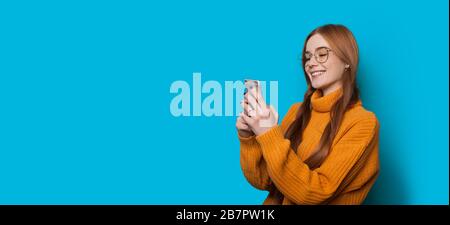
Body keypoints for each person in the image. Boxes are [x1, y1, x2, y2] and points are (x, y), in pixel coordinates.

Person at [236, 24, 380, 205]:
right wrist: (249, 137)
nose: (311, 63)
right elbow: (265, 181)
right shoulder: (296, 112)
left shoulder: (362, 123)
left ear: (347, 60)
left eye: (321, 54)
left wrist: (268, 133)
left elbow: (314, 193)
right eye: (307, 57)